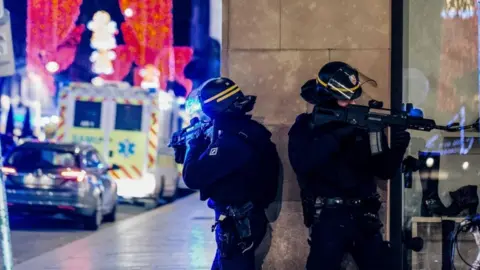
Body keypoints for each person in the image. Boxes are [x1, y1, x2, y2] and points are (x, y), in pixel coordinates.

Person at [288, 61, 411, 270]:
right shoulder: (307, 126)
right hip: (328, 216)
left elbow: (384, 170)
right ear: (327, 97)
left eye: (352, 98)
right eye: (344, 99)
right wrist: (339, 135)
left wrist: (398, 149)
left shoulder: (365, 125)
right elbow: (302, 163)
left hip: (364, 216)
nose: (351, 103)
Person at [177, 77, 280, 270]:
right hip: (244, 218)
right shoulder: (248, 131)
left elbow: (192, 177)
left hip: (238, 222)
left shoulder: (231, 141)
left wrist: (192, 145)